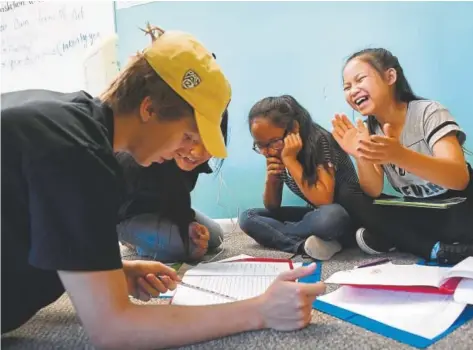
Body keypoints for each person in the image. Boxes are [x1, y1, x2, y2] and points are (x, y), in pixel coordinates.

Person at [1, 25, 325, 348]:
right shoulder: (80, 153)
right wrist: (260, 310)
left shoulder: (67, 119)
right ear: (148, 108)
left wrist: (113, 271)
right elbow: (115, 329)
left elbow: (22, 229)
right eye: (186, 137)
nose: (182, 152)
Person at [332, 48, 473, 265]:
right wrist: (360, 155)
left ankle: (397, 238)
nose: (353, 90)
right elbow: (373, 190)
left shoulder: (429, 112)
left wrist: (401, 155)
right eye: (347, 87)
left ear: (390, 77)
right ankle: (437, 248)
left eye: (359, 80)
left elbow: (459, 179)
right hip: (418, 209)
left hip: (456, 206)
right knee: (348, 192)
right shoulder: (369, 130)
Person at [239, 95, 362, 261]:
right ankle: (304, 245)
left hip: (344, 215)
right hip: (314, 215)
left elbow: (324, 200)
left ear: (294, 129)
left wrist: (290, 160)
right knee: (248, 217)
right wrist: (272, 178)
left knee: (331, 218)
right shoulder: (276, 150)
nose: (268, 151)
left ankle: (295, 235)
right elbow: (272, 206)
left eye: (274, 142)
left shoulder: (320, 140)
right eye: (260, 145)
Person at [115, 109, 229, 263]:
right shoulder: (139, 160)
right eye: (189, 137)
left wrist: (188, 222)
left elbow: (178, 194)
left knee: (215, 236)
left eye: (209, 143)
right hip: (124, 215)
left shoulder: (187, 158)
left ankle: (157, 238)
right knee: (184, 248)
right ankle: (135, 242)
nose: (197, 152)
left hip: (162, 208)